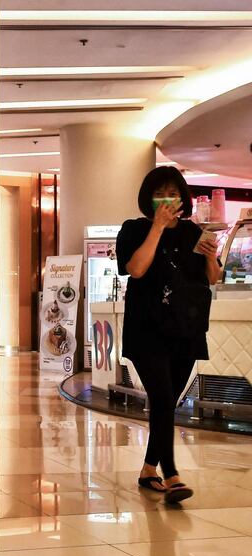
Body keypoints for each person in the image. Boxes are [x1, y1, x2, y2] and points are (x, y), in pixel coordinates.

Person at [116, 166, 222, 504]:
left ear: (183, 198)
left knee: (166, 403)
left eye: (173, 193)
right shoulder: (134, 229)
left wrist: (210, 258)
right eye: (160, 193)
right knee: (162, 399)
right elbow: (137, 268)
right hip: (147, 330)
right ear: (149, 198)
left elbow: (214, 278)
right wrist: (158, 228)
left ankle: (149, 470)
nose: (168, 199)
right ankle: (172, 474)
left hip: (185, 330)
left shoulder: (194, 232)